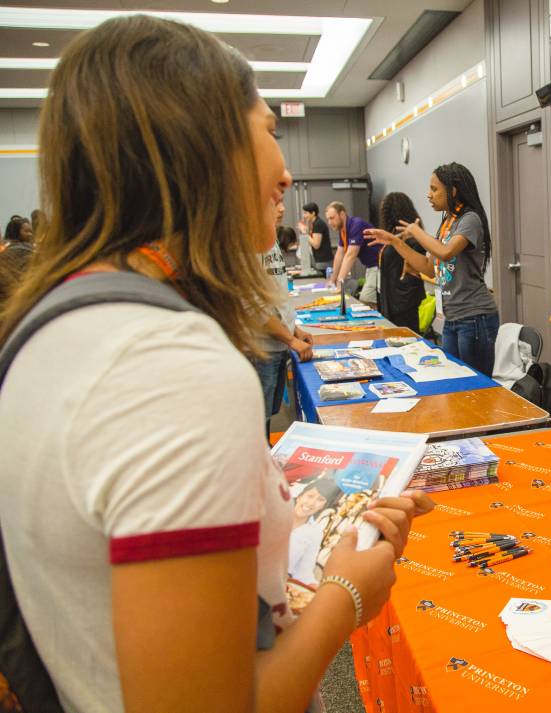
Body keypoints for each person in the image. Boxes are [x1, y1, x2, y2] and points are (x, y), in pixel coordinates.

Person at [0, 16, 433, 713]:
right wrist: (347, 593)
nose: (286, 171)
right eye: (269, 132)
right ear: (202, 145)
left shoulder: (51, 325)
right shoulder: (168, 365)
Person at [364, 162, 500, 376]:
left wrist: (416, 232)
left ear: (453, 190)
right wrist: (395, 242)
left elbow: (446, 252)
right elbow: (429, 268)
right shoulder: (448, 221)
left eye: (434, 189)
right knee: (453, 381)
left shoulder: (470, 219)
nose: (429, 194)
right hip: (452, 317)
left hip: (474, 317)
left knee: (477, 389)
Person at [251, 200, 314, 439]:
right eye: (274, 202)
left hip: (276, 345)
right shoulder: (249, 243)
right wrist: (291, 339)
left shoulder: (270, 240)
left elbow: (275, 295)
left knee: (267, 416)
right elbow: (254, 308)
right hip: (260, 349)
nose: (282, 208)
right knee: (258, 423)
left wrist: (294, 330)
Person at [373, 192, 426, 333]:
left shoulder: (413, 235)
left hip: (403, 297)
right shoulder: (392, 234)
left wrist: (404, 280)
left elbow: (417, 259)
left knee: (405, 338)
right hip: (389, 294)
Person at [326, 201, 378, 302]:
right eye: (328, 219)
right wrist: (332, 280)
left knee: (366, 299)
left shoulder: (356, 224)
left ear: (342, 214)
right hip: (371, 267)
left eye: (332, 218)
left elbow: (350, 255)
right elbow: (339, 255)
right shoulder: (344, 231)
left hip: (380, 265)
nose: (329, 222)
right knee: (368, 300)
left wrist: (340, 283)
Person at [300, 201, 333, 273]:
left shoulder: (318, 224)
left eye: (306, 213)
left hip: (324, 261)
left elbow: (316, 245)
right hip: (321, 260)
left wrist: (305, 233)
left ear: (313, 213)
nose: (304, 216)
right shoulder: (314, 223)